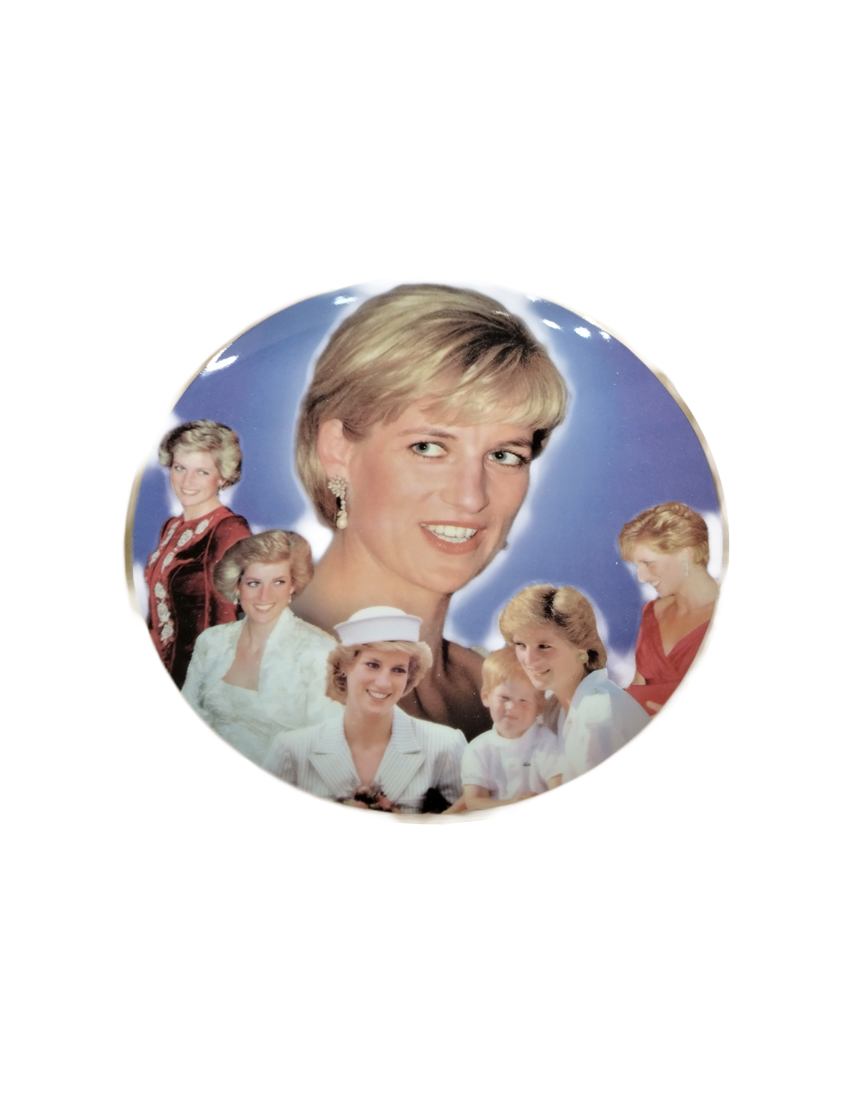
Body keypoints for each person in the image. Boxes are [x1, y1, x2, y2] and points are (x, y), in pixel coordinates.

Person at [291, 283, 568, 740]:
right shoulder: (262, 681)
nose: (471, 497)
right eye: (428, 447)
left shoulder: (513, 693)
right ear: (338, 450)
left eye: (504, 455)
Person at [263, 607, 467, 813]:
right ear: (345, 666)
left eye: (398, 670)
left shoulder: (445, 746)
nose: (384, 682)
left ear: (409, 677)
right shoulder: (292, 750)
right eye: (372, 665)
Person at [181, 530, 341, 767]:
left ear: (293, 586)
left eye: (279, 582)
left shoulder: (320, 650)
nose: (265, 596)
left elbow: (329, 746)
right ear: (237, 587)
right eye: (254, 583)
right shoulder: (212, 641)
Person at [499, 585, 650, 786]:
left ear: (580, 649)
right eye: (521, 645)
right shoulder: (553, 706)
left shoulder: (596, 716)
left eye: (544, 646)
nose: (529, 659)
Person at [144, 420, 251, 688]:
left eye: (202, 472)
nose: (187, 481)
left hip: (195, 677)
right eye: (179, 468)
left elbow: (225, 618)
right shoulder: (171, 527)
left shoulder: (228, 529)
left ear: (223, 477)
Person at [618, 502, 718, 714]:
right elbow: (637, 691)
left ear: (685, 554)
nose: (641, 577)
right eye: (638, 566)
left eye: (648, 563)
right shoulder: (653, 613)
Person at [460, 646, 559, 812]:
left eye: (523, 701)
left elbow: (559, 791)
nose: (512, 707)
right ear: (486, 696)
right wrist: (514, 804)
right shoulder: (477, 749)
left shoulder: (547, 742)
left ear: (540, 707)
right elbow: (474, 801)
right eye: (504, 697)